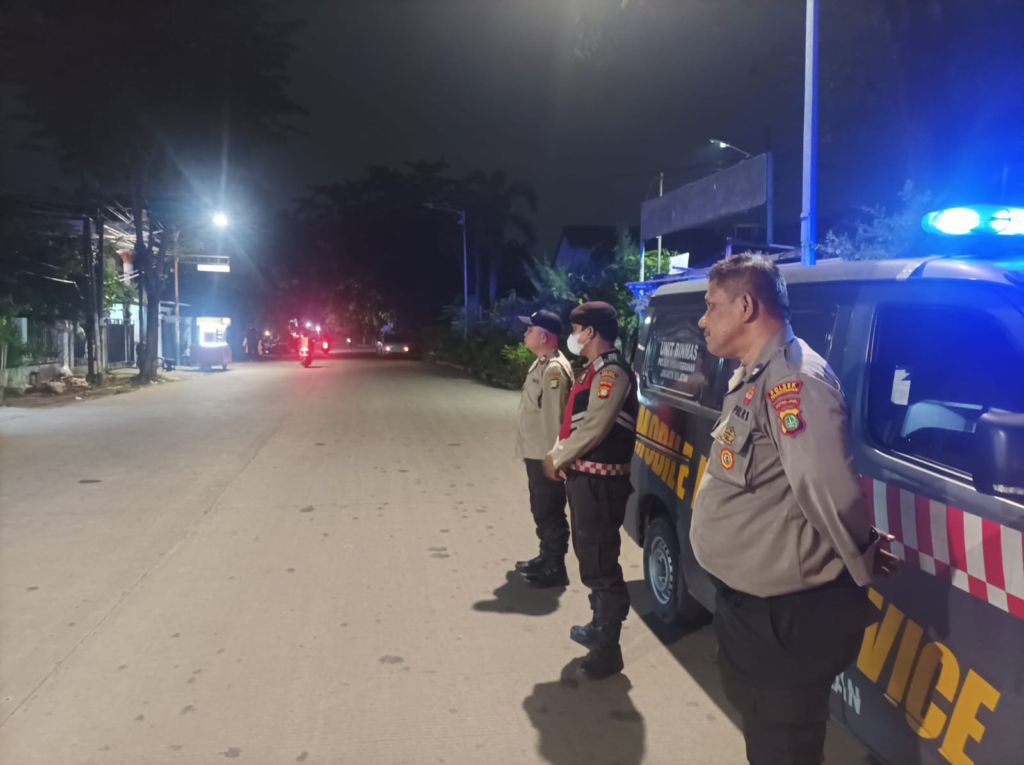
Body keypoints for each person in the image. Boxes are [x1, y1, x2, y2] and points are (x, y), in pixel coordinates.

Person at [691, 253, 898, 765]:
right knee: (767, 738)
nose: (702, 319)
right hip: (754, 611)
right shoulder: (753, 374)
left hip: (785, 619)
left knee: (783, 748)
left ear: (745, 306)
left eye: (711, 306)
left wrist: (862, 555)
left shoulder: (795, 381)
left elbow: (828, 488)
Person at [544, 301, 638, 680]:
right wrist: (561, 453)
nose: (573, 336)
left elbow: (595, 426)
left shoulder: (612, 373)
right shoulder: (593, 371)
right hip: (586, 479)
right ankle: (599, 624)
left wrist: (558, 457)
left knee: (599, 559)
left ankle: (608, 648)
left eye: (576, 329)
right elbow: (574, 422)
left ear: (591, 332)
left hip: (601, 483)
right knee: (589, 555)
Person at [514, 310, 574, 588]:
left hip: (546, 456)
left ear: (544, 336)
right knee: (540, 507)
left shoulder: (553, 370)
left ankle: (555, 567)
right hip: (535, 452)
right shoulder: (541, 363)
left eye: (530, 329)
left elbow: (554, 420)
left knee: (549, 510)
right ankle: (545, 556)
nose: (525, 333)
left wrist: (554, 459)